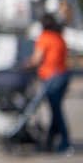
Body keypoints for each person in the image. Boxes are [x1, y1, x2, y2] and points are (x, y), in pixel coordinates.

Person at [26, 13, 72, 154]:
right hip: (63, 75)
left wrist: (25, 64)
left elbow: (37, 59)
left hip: (52, 78)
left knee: (57, 112)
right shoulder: (59, 37)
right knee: (55, 110)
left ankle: (65, 141)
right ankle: (50, 140)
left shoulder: (45, 37)